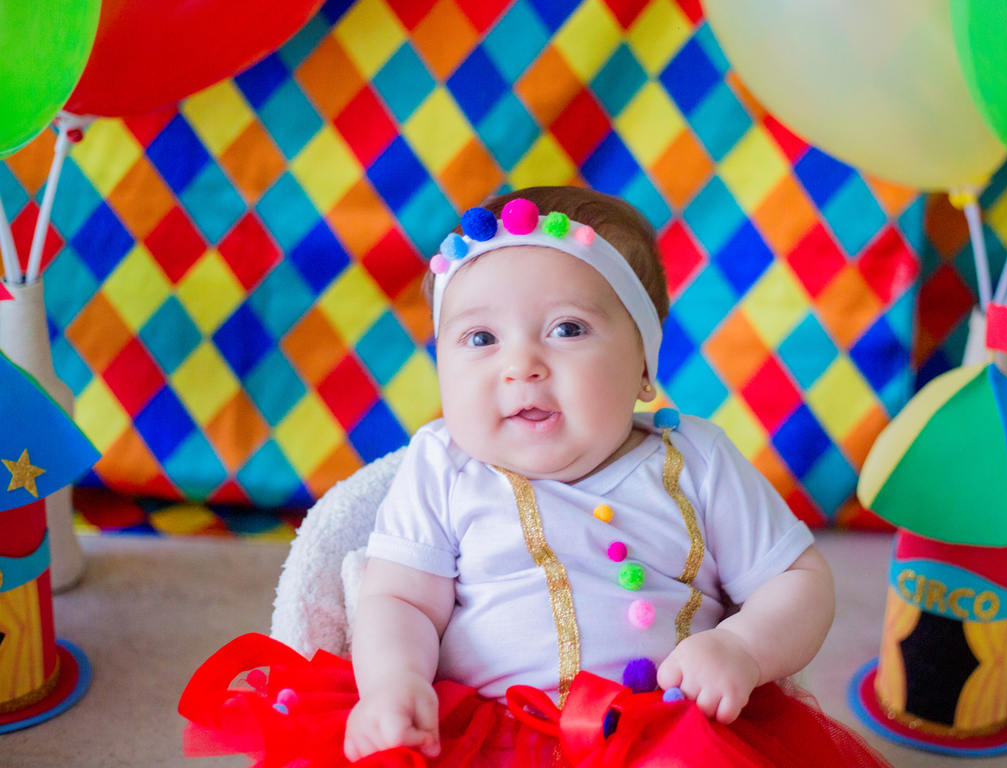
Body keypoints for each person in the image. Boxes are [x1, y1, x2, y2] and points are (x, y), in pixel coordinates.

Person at [179, 186, 891, 768]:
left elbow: (797, 581)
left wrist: (740, 647)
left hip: (666, 731)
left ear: (644, 368)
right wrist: (393, 685)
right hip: (485, 732)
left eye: (567, 329)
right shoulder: (445, 467)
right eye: (480, 339)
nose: (521, 364)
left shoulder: (694, 460)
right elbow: (398, 599)